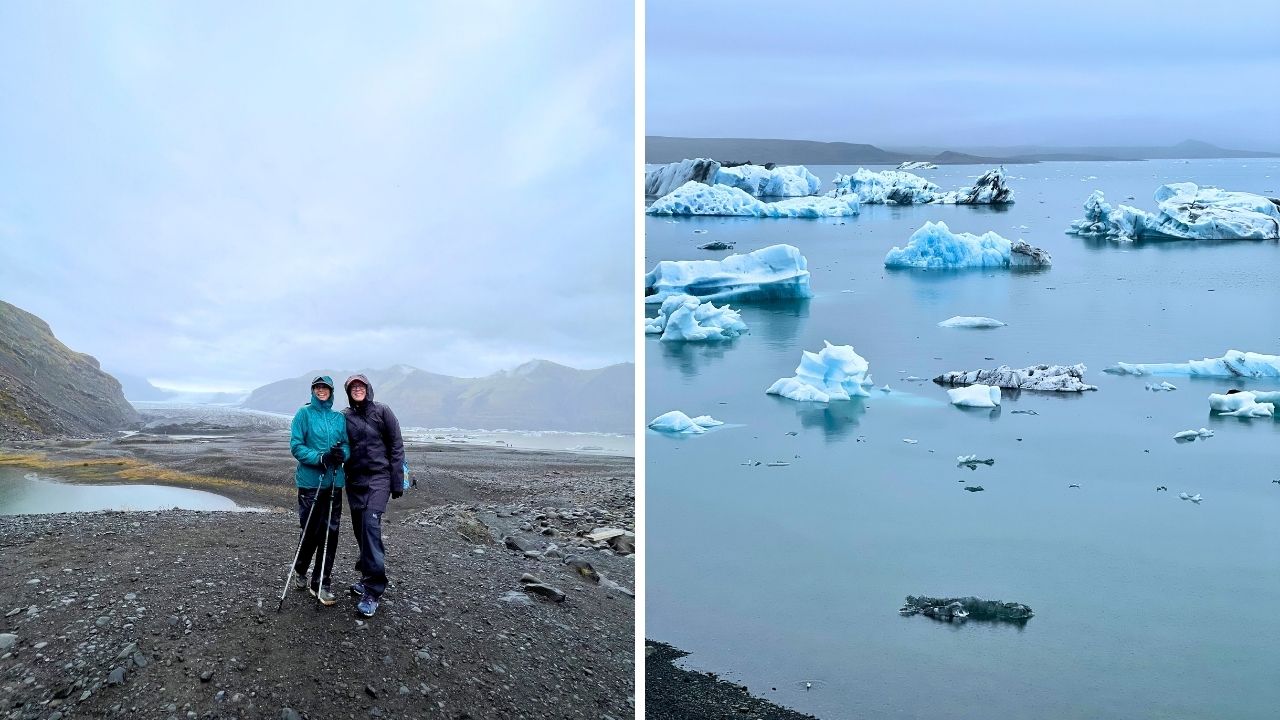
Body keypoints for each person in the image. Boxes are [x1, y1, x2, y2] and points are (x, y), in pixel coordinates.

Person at [341, 373, 405, 617]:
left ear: (368, 388)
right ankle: (367, 576)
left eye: (361, 385)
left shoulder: (383, 411)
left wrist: (396, 481)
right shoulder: (345, 417)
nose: (357, 389)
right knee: (360, 530)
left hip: (379, 479)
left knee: (370, 526)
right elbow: (339, 443)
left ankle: (374, 590)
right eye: (353, 387)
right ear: (348, 391)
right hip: (355, 481)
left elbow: (396, 446)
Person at [287, 375, 349, 606]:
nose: (321, 390)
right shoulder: (304, 414)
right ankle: (301, 568)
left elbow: (346, 445)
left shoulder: (338, 418)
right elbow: (296, 445)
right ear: (312, 391)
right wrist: (320, 457)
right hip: (310, 482)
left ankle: (321, 583)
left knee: (330, 533)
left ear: (331, 392)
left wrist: (343, 454)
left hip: (334, 481)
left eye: (325, 388)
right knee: (311, 531)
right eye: (318, 387)